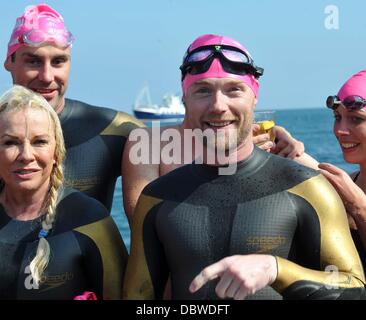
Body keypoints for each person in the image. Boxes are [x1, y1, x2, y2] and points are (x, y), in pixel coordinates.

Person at [123, 34, 366, 300]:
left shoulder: (307, 187)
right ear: (185, 100)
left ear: (254, 98)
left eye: (233, 90)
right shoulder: (156, 198)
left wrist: (276, 269)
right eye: (203, 90)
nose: (218, 106)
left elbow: (354, 287)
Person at [4, 3, 143, 213]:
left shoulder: (116, 131)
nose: (47, 77)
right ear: (9, 62)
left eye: (58, 61)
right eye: (33, 61)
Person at [0, 85, 126, 300]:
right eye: (11, 142)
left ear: (56, 151)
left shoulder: (89, 219)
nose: (26, 155)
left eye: (40, 142)